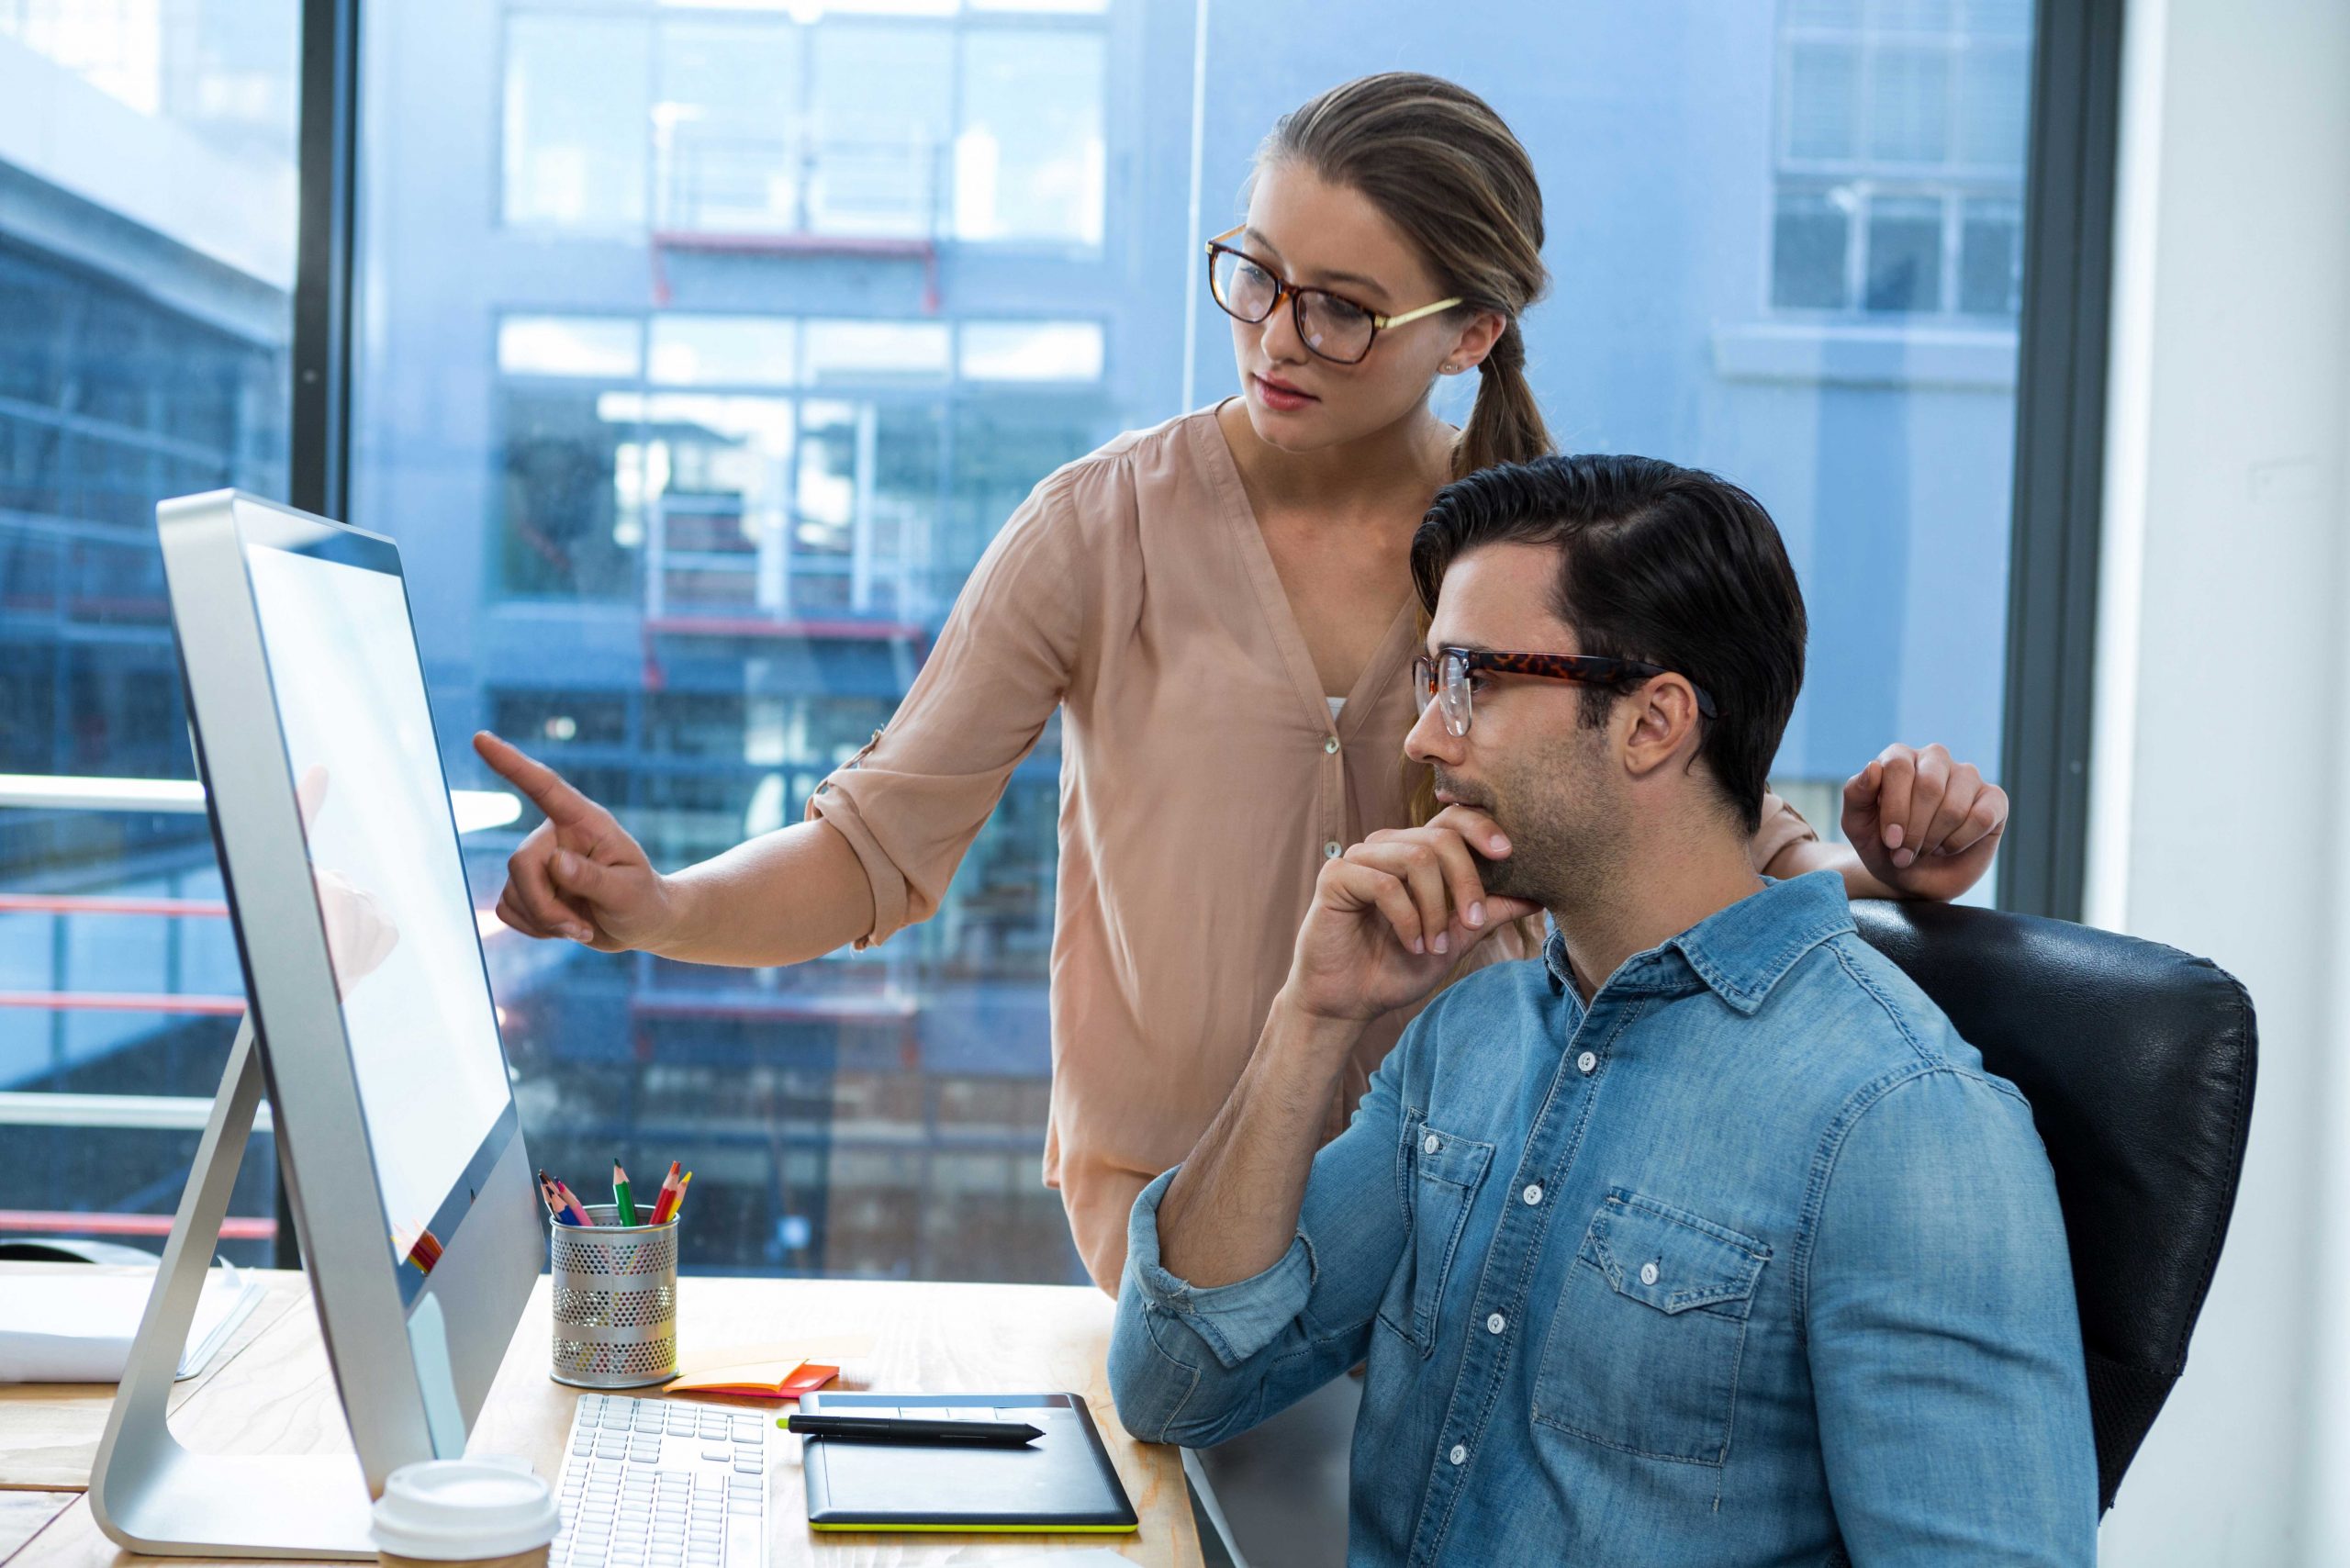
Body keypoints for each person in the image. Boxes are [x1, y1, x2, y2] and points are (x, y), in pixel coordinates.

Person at [473, 73, 2012, 1294]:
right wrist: (657, 904)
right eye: (1256, 275)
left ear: (1471, 332)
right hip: (1174, 1224)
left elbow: (1706, 850)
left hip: (1487, 1215)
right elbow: (877, 850)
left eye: (1344, 305)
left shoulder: (1547, 556)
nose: (1278, 336)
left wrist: (1893, 868)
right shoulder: (1099, 526)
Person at [1106, 454, 2096, 1565]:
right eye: (1432, 680)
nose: (1426, 737)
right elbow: (1171, 1383)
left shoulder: (1902, 1123)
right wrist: (1311, 1016)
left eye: (1470, 679)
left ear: (1649, 722)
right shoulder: (1465, 1040)